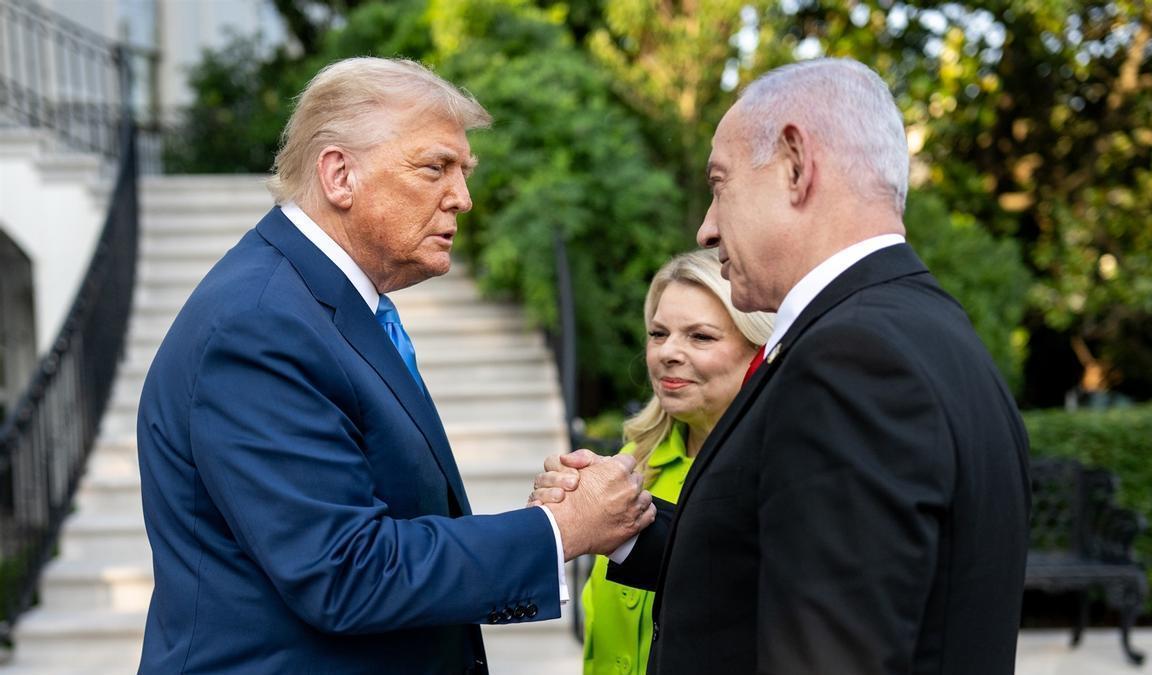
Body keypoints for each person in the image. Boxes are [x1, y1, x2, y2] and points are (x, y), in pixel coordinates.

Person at [135, 57, 654, 674]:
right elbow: (344, 572)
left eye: (463, 172)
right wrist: (558, 529)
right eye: (435, 168)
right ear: (339, 175)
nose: (462, 198)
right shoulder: (261, 322)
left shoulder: (316, 302)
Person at [534, 58, 1031, 674]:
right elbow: (775, 567)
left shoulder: (850, 360)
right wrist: (631, 526)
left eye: (720, 185)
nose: (707, 228)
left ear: (796, 166)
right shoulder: (931, 327)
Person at [580, 249, 772, 675]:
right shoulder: (628, 468)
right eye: (658, 333)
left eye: (700, 336)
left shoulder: (777, 476)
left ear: (758, 347)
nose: (668, 352)